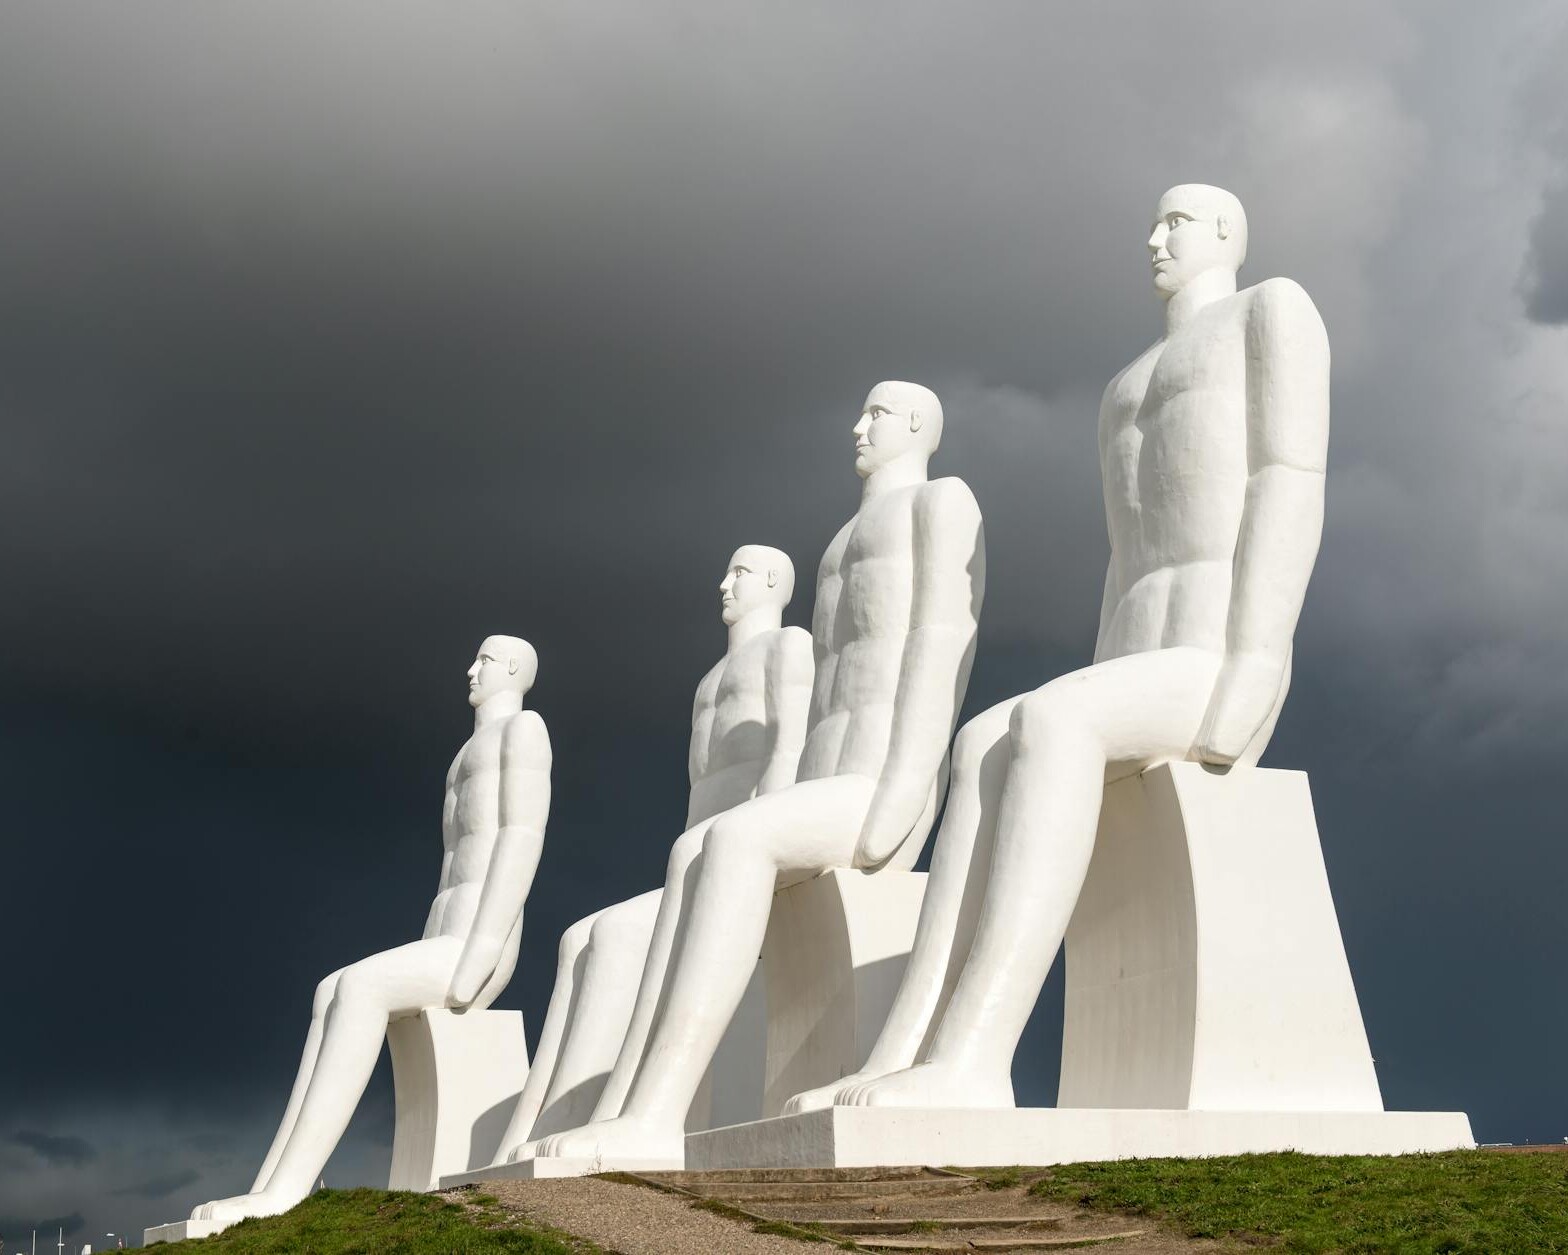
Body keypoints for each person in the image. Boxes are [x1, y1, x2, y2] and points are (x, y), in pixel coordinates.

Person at [793, 184, 1329, 1114]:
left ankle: (976, 1051)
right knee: (981, 742)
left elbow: (1290, 477)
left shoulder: (1269, 310)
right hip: (1137, 656)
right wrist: (1094, 675)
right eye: (1154, 222)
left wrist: (1259, 659)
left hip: (1211, 652)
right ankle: (910, 1045)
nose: (1154, 237)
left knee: (1046, 719)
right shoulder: (1124, 385)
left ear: (1224, 233)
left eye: (1176, 221)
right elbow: (1126, 553)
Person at [533, 380, 985, 1164]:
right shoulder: (840, 544)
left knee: (734, 841)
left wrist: (909, 789)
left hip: (877, 783)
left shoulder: (939, 504)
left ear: (916, 423)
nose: (859, 426)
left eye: (875, 413)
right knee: (691, 851)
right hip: (827, 781)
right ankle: (636, 1105)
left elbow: (941, 641)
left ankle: (657, 1108)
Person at [193, 636, 551, 1221]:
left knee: (360, 989)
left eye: (483, 660)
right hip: (445, 935)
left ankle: (287, 1188)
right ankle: (277, 1180)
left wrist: (483, 949)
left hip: (478, 944)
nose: (471, 669)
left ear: (512, 667)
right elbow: (451, 864)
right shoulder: (463, 757)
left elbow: (522, 837)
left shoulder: (525, 730)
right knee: (330, 989)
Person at [494, 546, 810, 1158]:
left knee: (612, 936)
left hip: (744, 856)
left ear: (773, 581)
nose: (724, 584)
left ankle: (625, 1111)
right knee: (581, 937)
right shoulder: (709, 683)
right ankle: (540, 1129)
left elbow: (789, 754)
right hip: (697, 862)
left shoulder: (787, 647)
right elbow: (698, 793)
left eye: (739, 573)